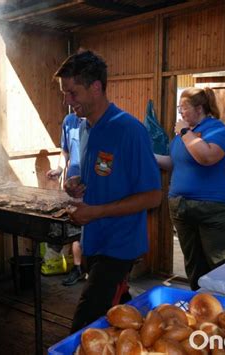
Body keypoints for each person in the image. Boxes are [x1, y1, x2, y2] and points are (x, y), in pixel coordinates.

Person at [54, 50, 162, 333]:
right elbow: (103, 179)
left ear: (96, 87)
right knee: (117, 317)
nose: (67, 101)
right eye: (65, 94)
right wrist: (75, 186)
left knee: (84, 328)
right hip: (95, 243)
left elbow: (153, 196)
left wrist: (97, 212)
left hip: (119, 246)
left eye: (72, 93)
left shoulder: (129, 130)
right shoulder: (85, 126)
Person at [155, 87, 225, 291]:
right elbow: (174, 163)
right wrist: (149, 157)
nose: (180, 113)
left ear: (199, 108)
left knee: (221, 264)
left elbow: (207, 157)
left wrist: (184, 132)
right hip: (182, 208)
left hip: (216, 209)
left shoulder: (216, 130)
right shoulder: (182, 136)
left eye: (183, 108)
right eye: (179, 109)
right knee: (194, 265)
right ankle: (200, 304)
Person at [46, 113, 85, 286]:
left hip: (93, 184)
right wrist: (59, 169)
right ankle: (77, 269)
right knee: (75, 225)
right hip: (72, 184)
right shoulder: (69, 122)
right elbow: (65, 151)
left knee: (91, 226)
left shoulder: (99, 121)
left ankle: (92, 270)